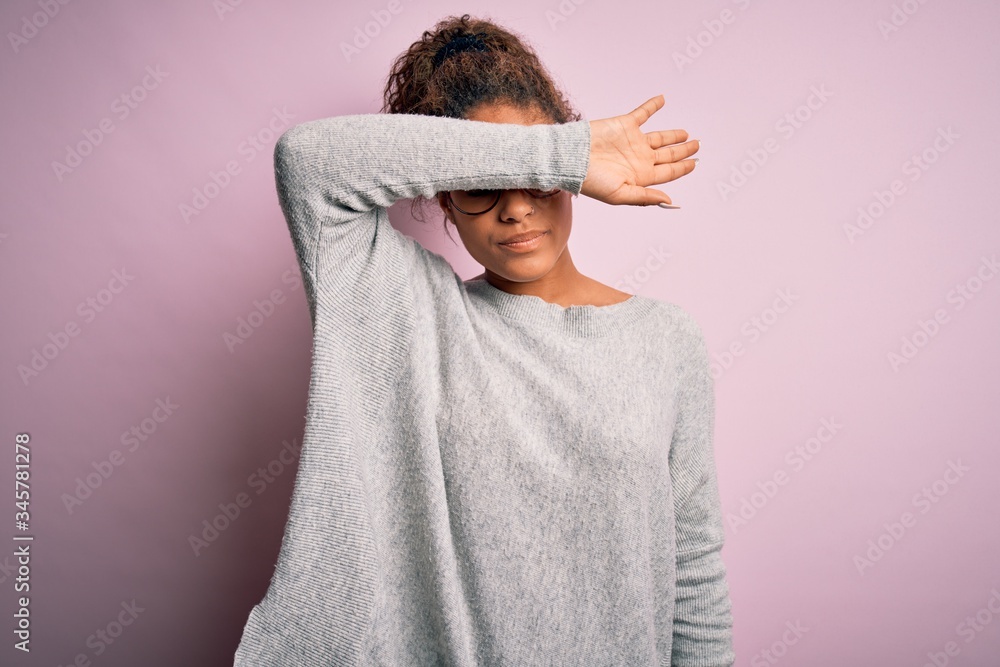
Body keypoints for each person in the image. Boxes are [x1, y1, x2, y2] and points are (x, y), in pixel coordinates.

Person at [233, 12, 734, 667]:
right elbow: (306, 163)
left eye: (538, 178)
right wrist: (559, 154)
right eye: (482, 183)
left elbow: (693, 568)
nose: (516, 207)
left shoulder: (668, 341)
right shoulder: (416, 316)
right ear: (442, 199)